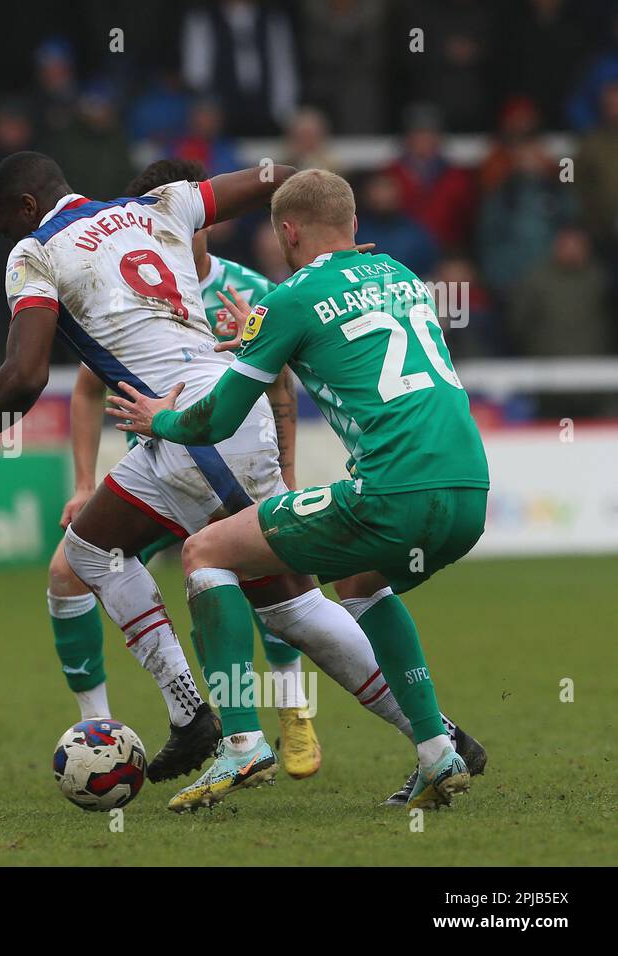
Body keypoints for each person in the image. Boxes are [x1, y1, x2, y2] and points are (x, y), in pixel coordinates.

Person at [108, 169, 490, 811]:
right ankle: (435, 752)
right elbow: (354, 345)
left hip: (391, 494)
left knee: (206, 554)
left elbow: (215, 420)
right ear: (354, 224)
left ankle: (240, 742)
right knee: (363, 582)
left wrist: (158, 420)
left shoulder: (290, 297)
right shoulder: (402, 276)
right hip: (470, 492)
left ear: (287, 231)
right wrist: (260, 340)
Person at [45, 158, 324, 781]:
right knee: (71, 566)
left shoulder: (245, 291)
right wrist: (85, 482)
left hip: (231, 456)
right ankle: (105, 727)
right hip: (162, 461)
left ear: (204, 219)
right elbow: (88, 388)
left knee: (267, 583)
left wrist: (290, 470)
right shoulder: (120, 288)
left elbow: (282, 389)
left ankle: (290, 711)